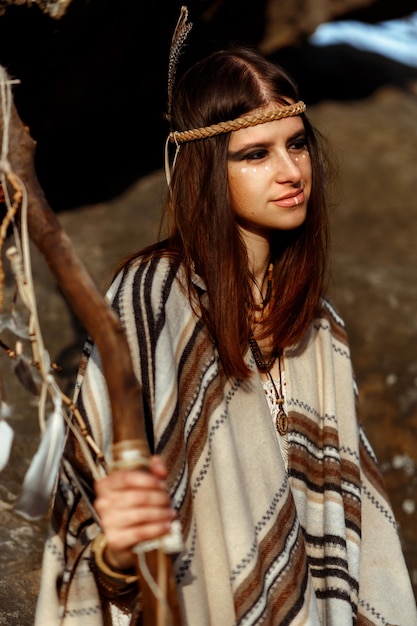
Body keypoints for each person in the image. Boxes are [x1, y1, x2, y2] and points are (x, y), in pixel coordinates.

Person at [35, 40, 417, 626]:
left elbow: (351, 522)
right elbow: (95, 538)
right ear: (207, 166)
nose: (291, 172)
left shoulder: (319, 324)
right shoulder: (153, 299)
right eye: (255, 154)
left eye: (296, 144)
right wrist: (116, 546)